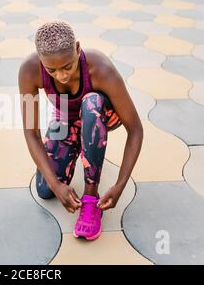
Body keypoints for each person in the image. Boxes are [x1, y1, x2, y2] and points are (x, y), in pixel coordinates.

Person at [18, 21, 143, 241]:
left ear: (77, 49)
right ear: (40, 60)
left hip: (99, 115)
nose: (61, 76)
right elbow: (31, 133)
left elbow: (135, 130)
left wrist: (120, 184)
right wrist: (56, 185)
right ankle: (76, 147)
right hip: (65, 116)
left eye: (67, 66)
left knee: (91, 103)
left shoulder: (101, 69)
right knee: (45, 190)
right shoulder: (29, 70)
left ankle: (90, 200)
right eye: (51, 70)